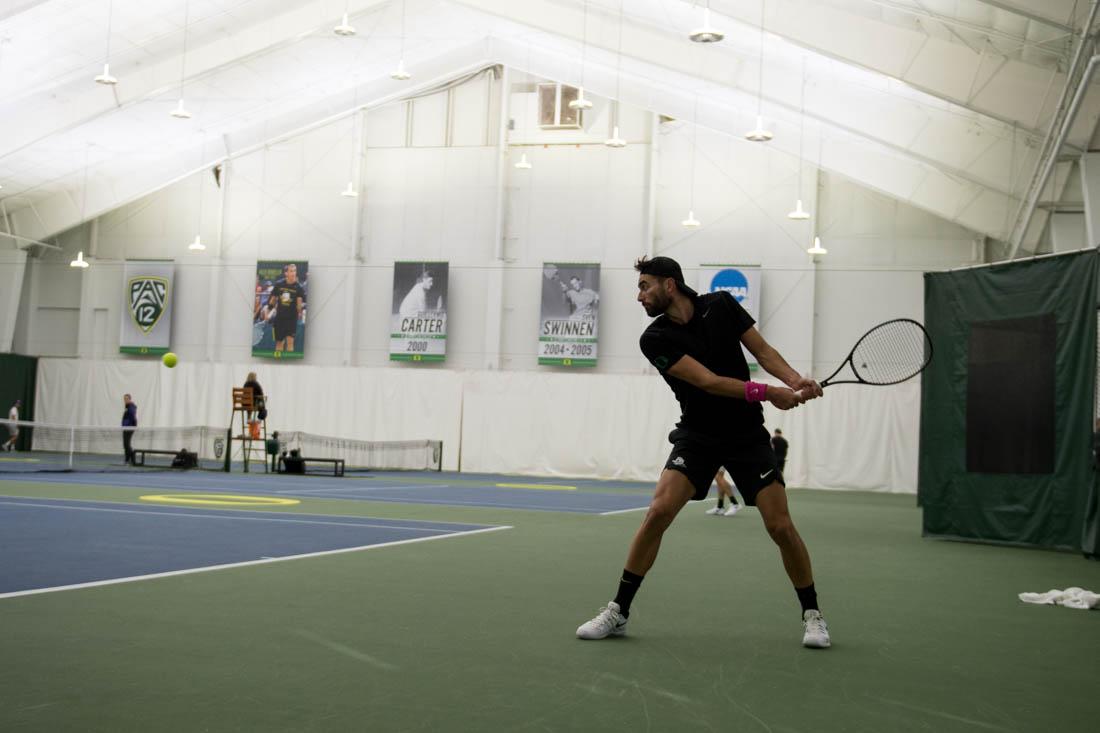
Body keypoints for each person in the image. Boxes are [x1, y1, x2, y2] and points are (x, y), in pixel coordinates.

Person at [576, 255, 830, 649]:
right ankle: (619, 610)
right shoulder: (654, 339)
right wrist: (770, 393)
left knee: (780, 526)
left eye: (645, 286)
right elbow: (708, 382)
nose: (639, 295)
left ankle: (812, 615)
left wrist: (796, 381)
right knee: (658, 512)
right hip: (698, 434)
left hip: (746, 434)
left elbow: (762, 351)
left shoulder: (723, 305)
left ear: (669, 285)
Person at [271, 263, 305, 353]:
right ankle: (277, 363)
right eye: (291, 271)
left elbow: (299, 304)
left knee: (290, 343)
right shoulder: (279, 284)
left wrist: (299, 309)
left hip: (291, 319)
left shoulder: (299, 287)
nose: (293, 273)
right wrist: (269, 311)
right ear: (286, 273)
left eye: (294, 271)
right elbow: (273, 299)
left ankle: (289, 366)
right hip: (280, 318)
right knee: (279, 343)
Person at [121, 393, 137, 465]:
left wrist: (129, 425)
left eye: (127, 399)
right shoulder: (127, 406)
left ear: (130, 399)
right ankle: (127, 460)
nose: (125, 400)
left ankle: (132, 460)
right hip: (126, 427)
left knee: (127, 444)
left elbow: (132, 417)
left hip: (129, 428)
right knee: (125, 444)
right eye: (124, 399)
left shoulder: (131, 406)